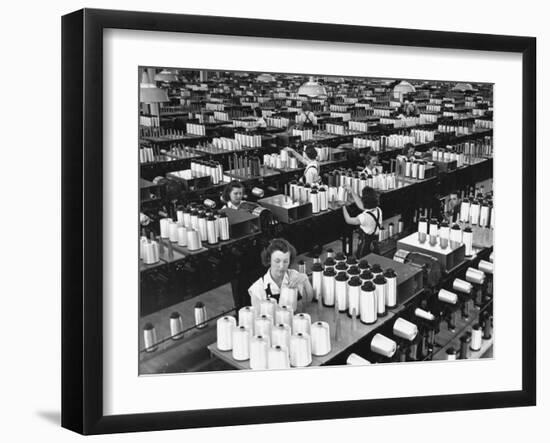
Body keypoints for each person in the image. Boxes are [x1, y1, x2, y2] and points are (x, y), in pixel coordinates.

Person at [248, 238, 314, 311]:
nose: (282, 266)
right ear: (269, 260)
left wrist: (305, 280)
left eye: (285, 261)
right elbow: (259, 320)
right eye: (277, 261)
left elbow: (308, 301)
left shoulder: (294, 275)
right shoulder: (257, 290)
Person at [342, 186, 383, 259]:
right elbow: (362, 206)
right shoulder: (378, 210)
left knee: (362, 263)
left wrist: (343, 206)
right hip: (375, 245)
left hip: (364, 247)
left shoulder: (363, 217)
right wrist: (352, 191)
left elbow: (348, 220)